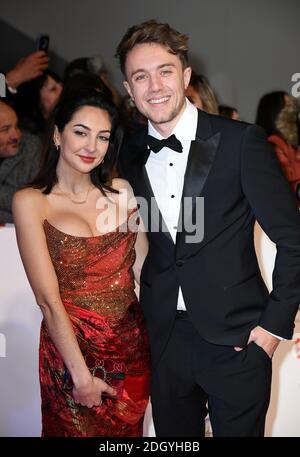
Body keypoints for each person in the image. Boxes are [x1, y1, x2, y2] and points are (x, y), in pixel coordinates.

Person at [115, 19, 300, 437]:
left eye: (164, 71)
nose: (154, 86)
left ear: (184, 76)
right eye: (140, 76)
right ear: (128, 89)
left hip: (237, 343)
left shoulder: (240, 143)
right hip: (164, 341)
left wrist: (272, 330)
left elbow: (293, 241)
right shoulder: (127, 152)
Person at [12, 87, 150, 437]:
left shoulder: (124, 192)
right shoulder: (31, 201)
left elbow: (145, 275)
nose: (92, 146)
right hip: (71, 357)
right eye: (81, 132)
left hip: (130, 352)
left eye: (102, 137)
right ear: (58, 134)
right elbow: (47, 300)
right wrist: (80, 376)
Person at [0, 100, 41, 224]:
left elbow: (35, 204)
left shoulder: (31, 149)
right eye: (5, 129)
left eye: (16, 126)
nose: (16, 136)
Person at [256, 91, 300, 204]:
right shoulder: (272, 145)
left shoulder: (291, 143)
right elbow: (283, 182)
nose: (293, 111)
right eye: (288, 106)